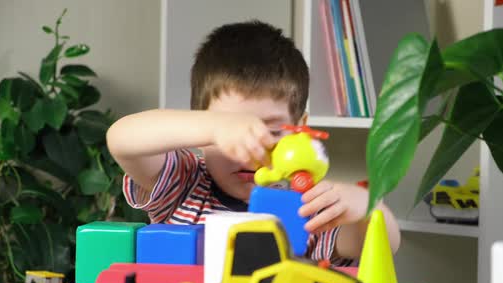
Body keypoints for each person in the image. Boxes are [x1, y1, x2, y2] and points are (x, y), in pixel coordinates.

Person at [106, 20, 400, 266]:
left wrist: (367, 208)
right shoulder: (183, 183)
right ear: (200, 131)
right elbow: (121, 139)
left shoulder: (309, 206)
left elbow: (383, 244)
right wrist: (216, 127)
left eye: (272, 132)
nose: (251, 152)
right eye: (232, 133)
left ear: (300, 130)